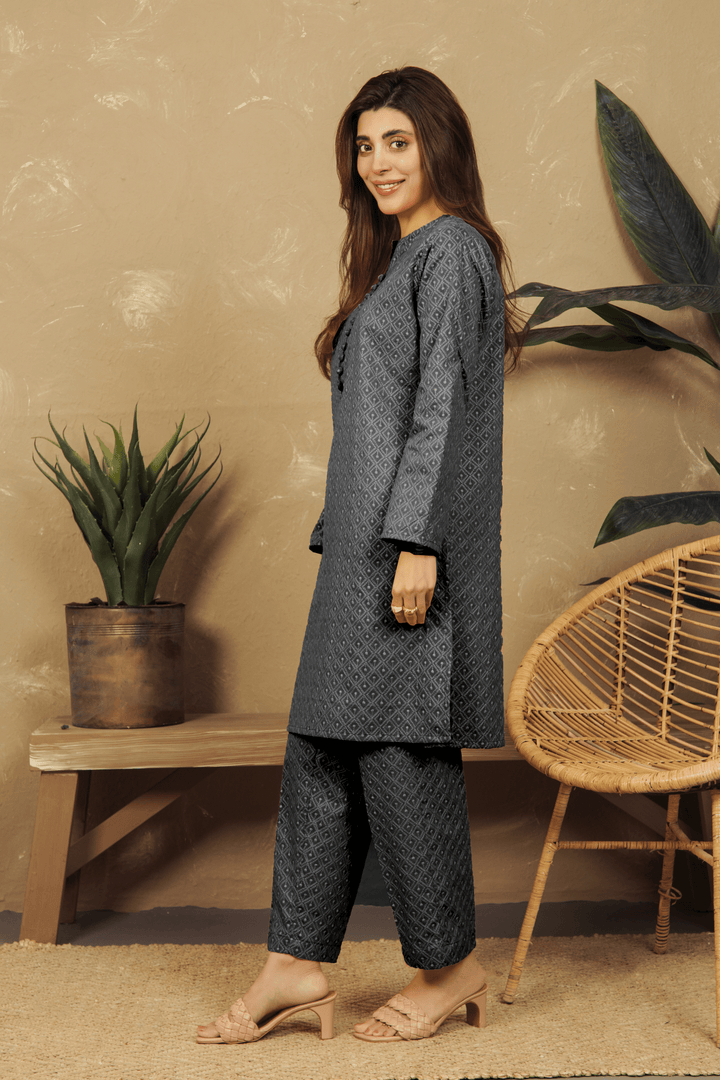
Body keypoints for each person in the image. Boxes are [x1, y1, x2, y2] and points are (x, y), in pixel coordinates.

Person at [197, 65, 523, 1046]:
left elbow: (444, 410)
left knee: (398, 752)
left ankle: (450, 966)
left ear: (439, 147)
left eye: (398, 142)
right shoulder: (397, 259)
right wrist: (350, 536)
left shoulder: (452, 251)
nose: (378, 162)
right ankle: (295, 964)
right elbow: (378, 423)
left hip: (406, 549)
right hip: (358, 552)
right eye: (365, 144)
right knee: (322, 748)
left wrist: (418, 541)